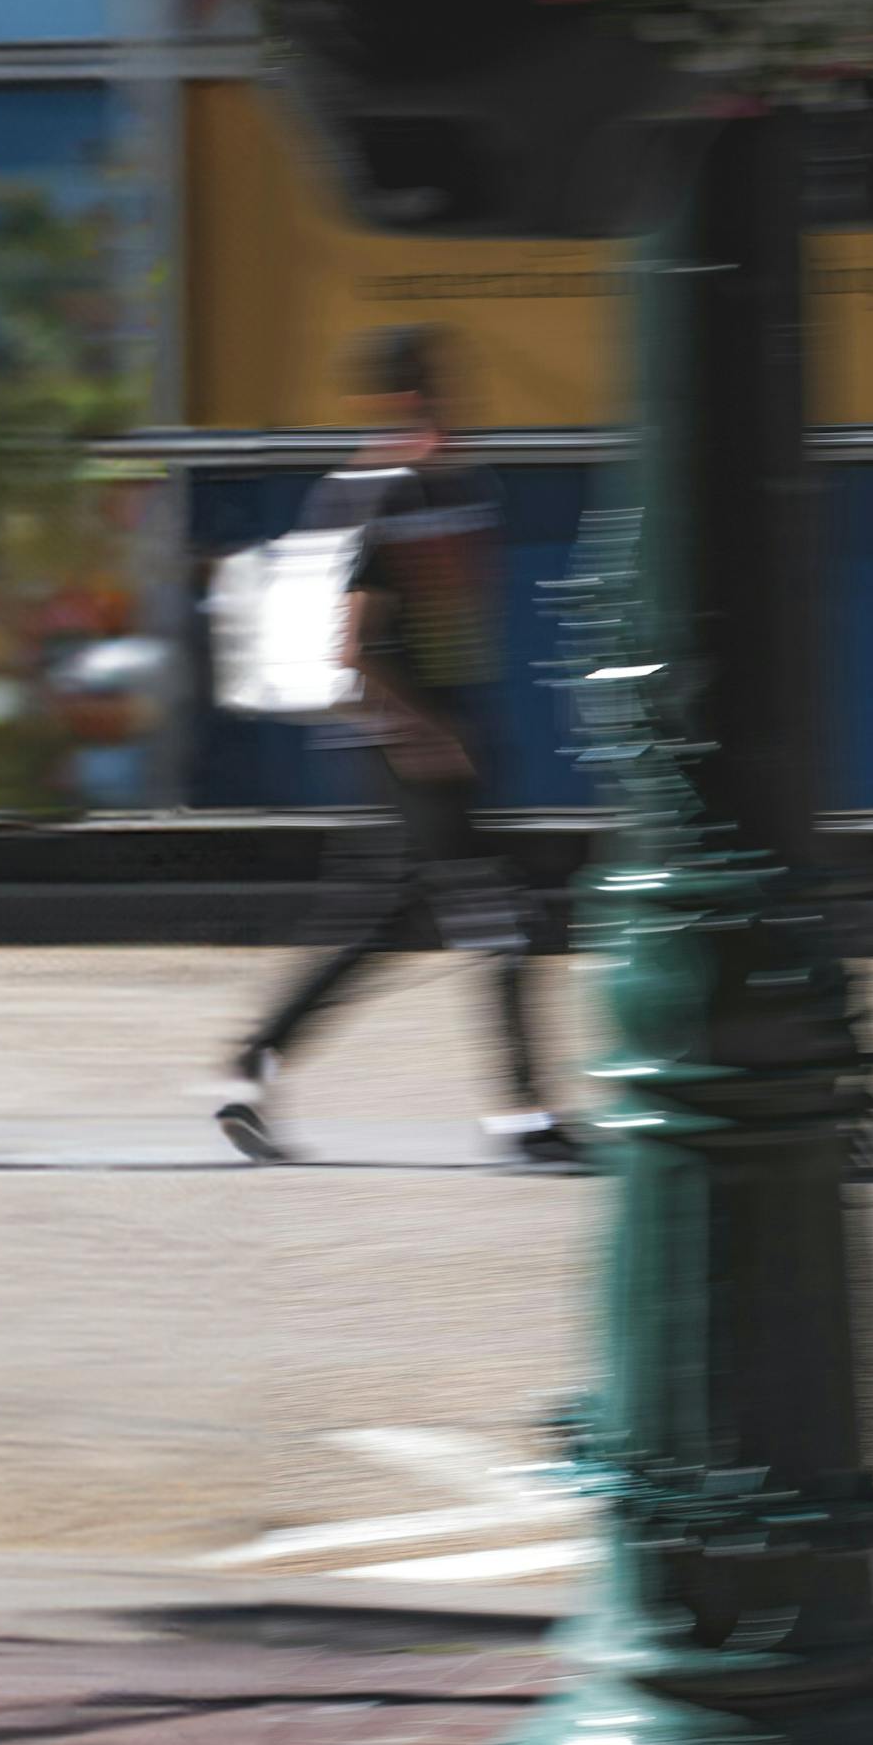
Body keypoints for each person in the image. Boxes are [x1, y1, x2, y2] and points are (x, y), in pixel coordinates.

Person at [214, 326, 581, 1172]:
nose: (449, 400)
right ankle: (523, 1114)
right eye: (431, 386)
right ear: (399, 398)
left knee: (384, 920)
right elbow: (350, 649)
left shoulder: (454, 485)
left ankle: (250, 1067)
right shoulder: (381, 495)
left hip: (445, 735)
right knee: (505, 925)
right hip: (411, 742)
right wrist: (425, 732)